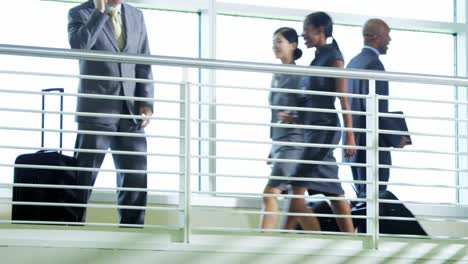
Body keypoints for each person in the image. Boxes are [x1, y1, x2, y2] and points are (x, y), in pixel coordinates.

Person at [68, 0, 154, 225]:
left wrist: (146, 100)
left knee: (136, 178)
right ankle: (70, 228)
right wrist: (100, 12)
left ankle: (132, 232)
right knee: (84, 176)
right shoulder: (81, 12)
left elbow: (144, 60)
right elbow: (79, 47)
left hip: (130, 112)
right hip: (96, 110)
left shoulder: (136, 15)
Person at [286, 11, 356, 232]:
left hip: (324, 129)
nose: (303, 33)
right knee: (332, 188)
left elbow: (343, 98)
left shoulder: (334, 57)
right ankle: (350, 236)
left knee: (297, 181)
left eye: (306, 28)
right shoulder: (317, 57)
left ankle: (282, 234)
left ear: (320, 30)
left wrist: (350, 135)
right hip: (310, 129)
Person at [344, 19, 410, 199]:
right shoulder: (374, 65)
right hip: (370, 145)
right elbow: (375, 108)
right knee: (374, 200)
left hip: (354, 143)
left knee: (363, 200)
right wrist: (396, 137)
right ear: (375, 37)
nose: (389, 40)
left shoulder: (353, 63)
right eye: (387, 35)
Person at [261, 27, 305, 230]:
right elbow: (274, 112)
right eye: (273, 41)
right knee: (297, 204)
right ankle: (331, 239)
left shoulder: (300, 75)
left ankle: (261, 242)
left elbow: (308, 108)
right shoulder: (276, 74)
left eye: (279, 41)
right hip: (279, 142)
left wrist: (293, 117)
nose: (274, 46)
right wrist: (272, 146)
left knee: (270, 193)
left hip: (293, 142)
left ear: (293, 45)